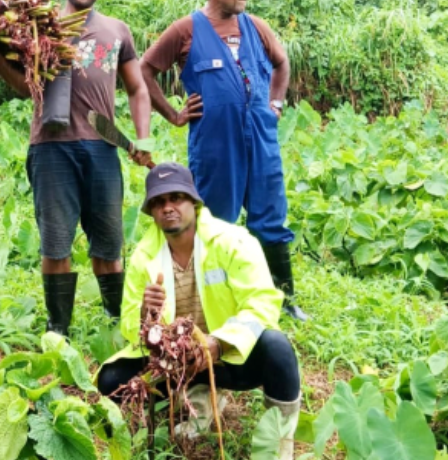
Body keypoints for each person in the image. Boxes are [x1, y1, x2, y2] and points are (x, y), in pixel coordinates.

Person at [0, 0, 152, 336]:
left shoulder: (117, 30)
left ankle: (116, 323)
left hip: (102, 147)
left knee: (109, 246)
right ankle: (58, 328)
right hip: (50, 147)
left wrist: (143, 138)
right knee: (55, 244)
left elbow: (138, 89)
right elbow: (27, 90)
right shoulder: (38, 27)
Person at [140, 0, 307, 320]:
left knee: (271, 217)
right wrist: (173, 114)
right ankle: (216, 299)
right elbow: (145, 70)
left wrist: (275, 104)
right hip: (216, 145)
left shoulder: (256, 27)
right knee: (217, 221)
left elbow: (281, 63)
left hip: (261, 139)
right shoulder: (186, 30)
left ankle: (284, 298)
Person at [97, 163, 300, 459]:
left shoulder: (234, 241)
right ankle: (196, 401)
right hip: (175, 364)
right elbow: (129, 327)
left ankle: (280, 446)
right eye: (158, 202)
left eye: (176, 198)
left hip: (228, 356)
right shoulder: (144, 256)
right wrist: (144, 317)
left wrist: (217, 345)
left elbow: (262, 303)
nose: (168, 208)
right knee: (112, 380)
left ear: (193, 201)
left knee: (278, 349)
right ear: (151, 212)